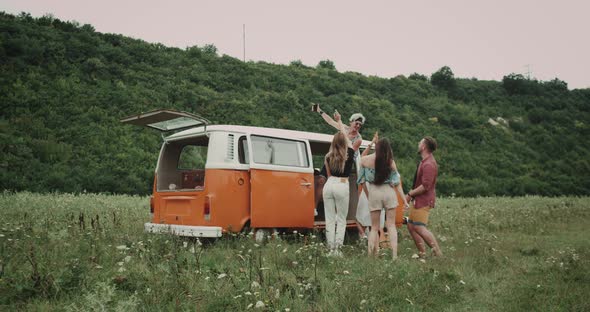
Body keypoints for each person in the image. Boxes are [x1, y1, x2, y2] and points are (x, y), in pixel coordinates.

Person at [314, 103, 369, 237]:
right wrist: (320, 111)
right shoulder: (343, 128)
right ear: (351, 122)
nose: (357, 127)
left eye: (360, 125)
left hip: (344, 164)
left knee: (337, 201)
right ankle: (314, 208)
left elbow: (349, 152)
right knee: (320, 180)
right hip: (333, 159)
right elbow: (330, 121)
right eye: (356, 123)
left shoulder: (358, 139)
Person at [358, 135, 408, 259]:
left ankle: (370, 256)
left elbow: (361, 180)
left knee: (374, 227)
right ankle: (394, 255)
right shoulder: (390, 161)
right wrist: (404, 201)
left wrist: (368, 194)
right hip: (389, 192)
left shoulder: (364, 160)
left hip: (374, 191)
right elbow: (397, 183)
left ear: (376, 147)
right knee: (391, 225)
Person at [322, 114, 358, 256]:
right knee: (341, 220)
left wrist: (338, 121)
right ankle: (337, 250)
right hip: (342, 185)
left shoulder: (328, 156)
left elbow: (329, 175)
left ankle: (330, 249)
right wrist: (339, 121)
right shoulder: (349, 152)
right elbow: (344, 134)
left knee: (329, 219)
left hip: (329, 184)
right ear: (345, 141)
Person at [406, 136, 442, 258]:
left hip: (424, 200)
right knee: (411, 226)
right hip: (417, 199)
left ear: (424, 146)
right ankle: (422, 254)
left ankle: (439, 255)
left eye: (419, 142)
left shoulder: (429, 164)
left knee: (419, 227)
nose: (418, 144)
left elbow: (425, 186)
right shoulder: (424, 162)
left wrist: (410, 194)